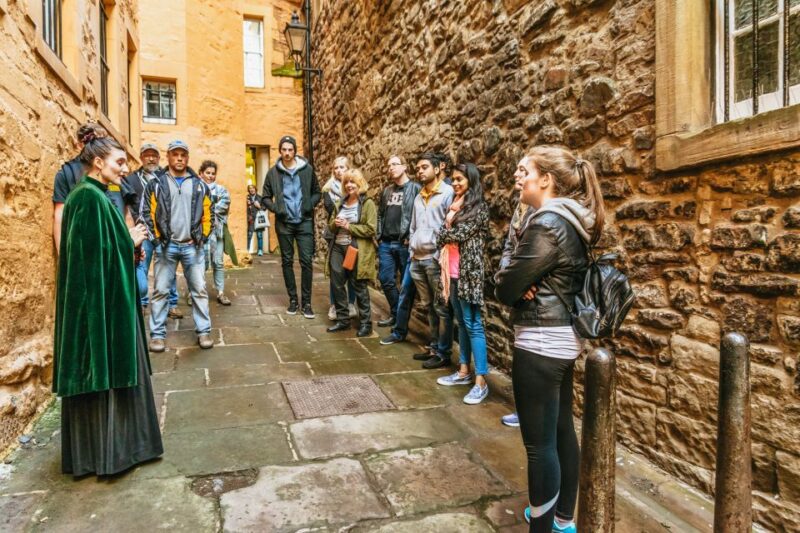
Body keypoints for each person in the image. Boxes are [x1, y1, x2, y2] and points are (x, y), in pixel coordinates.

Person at [495, 145, 605, 533]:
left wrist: (512, 281)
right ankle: (562, 520)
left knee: (539, 446)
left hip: (541, 340)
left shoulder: (546, 224)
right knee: (560, 432)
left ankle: (541, 527)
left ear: (546, 179)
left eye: (524, 170)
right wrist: (519, 280)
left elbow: (506, 287)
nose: (518, 176)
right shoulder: (569, 220)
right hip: (561, 340)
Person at [54, 131, 163, 477]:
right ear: (98, 163)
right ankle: (110, 455)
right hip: (103, 312)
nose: (125, 169)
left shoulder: (98, 195)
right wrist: (129, 240)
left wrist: (127, 244)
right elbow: (89, 262)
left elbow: (102, 249)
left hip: (115, 303)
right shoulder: (87, 198)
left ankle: (129, 448)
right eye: (119, 162)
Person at [143, 140, 214, 352]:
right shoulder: (156, 183)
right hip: (167, 246)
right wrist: (157, 240)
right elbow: (147, 214)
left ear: (188, 158)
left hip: (192, 247)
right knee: (160, 291)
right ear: (168, 157)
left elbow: (209, 214)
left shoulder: (199, 185)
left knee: (199, 290)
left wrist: (201, 237)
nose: (180, 158)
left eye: (183, 154)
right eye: (175, 154)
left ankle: (204, 332)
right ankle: (157, 335)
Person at [435, 162, 490, 404]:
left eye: (460, 179)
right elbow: (442, 234)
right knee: (462, 323)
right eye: (454, 179)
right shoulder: (455, 205)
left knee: (473, 324)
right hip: (452, 272)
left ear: (471, 180)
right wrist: (444, 234)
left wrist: (444, 234)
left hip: (469, 274)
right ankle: (464, 370)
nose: (455, 183)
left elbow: (456, 233)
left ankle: (481, 381)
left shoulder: (479, 207)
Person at [262, 135, 321, 318]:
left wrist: (309, 205)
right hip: (284, 224)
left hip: (304, 222)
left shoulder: (307, 170)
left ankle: (307, 303)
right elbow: (265, 197)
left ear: (295, 151)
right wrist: (277, 208)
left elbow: (317, 192)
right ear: (280, 151)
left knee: (306, 261)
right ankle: (293, 300)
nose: (287, 153)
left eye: (290, 149)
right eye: (284, 149)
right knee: (287, 261)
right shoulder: (273, 173)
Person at [497, 158, 537, 428]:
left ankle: (533, 414)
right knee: (522, 355)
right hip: (519, 288)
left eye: (523, 170)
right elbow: (509, 248)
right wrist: (506, 276)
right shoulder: (520, 207)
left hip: (534, 294)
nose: (516, 174)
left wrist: (524, 280)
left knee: (533, 361)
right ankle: (524, 409)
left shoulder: (545, 211)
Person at [121, 143, 181, 314]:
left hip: (164, 232)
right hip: (144, 230)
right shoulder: (131, 179)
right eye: (147, 155)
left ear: (159, 158)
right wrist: (136, 224)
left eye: (154, 155)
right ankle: (142, 302)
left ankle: (171, 304)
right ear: (141, 158)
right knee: (141, 265)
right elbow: (128, 205)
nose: (151, 158)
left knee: (168, 267)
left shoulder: (167, 177)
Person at [408, 153, 454, 370]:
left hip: (434, 260)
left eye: (424, 167)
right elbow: (413, 227)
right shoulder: (419, 196)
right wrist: (412, 251)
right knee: (428, 306)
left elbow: (449, 227)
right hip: (417, 260)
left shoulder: (447, 193)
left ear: (437, 169)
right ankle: (434, 347)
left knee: (441, 308)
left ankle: (444, 353)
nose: (420, 171)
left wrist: (437, 256)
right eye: (418, 168)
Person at [325, 169, 376, 337]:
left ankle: (366, 324)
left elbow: (371, 229)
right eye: (346, 182)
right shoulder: (340, 203)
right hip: (337, 248)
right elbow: (331, 226)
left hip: (355, 248)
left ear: (360, 183)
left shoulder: (367, 203)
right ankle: (343, 320)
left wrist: (349, 226)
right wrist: (336, 223)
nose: (349, 185)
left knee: (359, 285)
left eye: (352, 182)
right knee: (337, 284)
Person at [53, 123, 116, 254]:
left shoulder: (66, 172)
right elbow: (60, 215)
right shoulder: (68, 173)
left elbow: (60, 214)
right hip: (88, 243)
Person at [376, 155, 421, 329]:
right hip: (386, 243)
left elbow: (419, 215)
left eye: (395, 164)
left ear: (404, 167)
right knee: (385, 279)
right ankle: (396, 314)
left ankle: (401, 322)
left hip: (404, 243)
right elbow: (380, 214)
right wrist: (379, 236)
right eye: (389, 165)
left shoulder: (415, 188)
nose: (391, 168)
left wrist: (412, 237)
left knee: (407, 286)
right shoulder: (387, 191)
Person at [322, 156, 357, 321]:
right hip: (335, 236)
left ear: (348, 169)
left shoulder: (355, 187)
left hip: (353, 235)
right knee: (336, 273)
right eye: (336, 167)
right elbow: (331, 209)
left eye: (342, 167)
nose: (338, 170)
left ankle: (350, 304)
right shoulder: (327, 189)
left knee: (351, 271)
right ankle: (335, 305)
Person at [199, 160, 232, 306]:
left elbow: (224, 204)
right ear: (201, 173)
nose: (211, 176)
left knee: (218, 262)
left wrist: (205, 210)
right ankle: (195, 292)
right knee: (199, 264)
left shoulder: (221, 190)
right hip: (199, 233)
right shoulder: (195, 189)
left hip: (217, 233)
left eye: (213, 173)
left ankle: (220, 292)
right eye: (208, 173)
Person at [246, 184, 265, 256]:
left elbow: (264, 208)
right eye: (250, 188)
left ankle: (260, 250)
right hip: (250, 219)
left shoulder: (260, 198)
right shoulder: (247, 198)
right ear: (248, 190)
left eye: (253, 188)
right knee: (249, 235)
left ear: (255, 189)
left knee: (259, 235)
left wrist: (259, 206)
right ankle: (247, 250)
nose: (251, 189)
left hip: (258, 218)